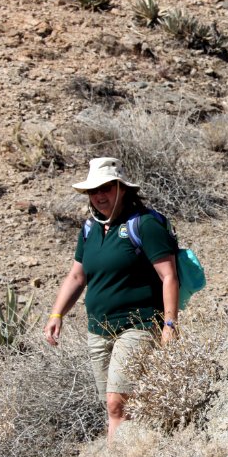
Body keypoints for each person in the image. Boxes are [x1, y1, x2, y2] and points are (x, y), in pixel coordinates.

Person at [43, 157, 179, 441]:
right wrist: (57, 315)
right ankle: (136, 451)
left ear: (122, 189)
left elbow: (168, 276)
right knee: (114, 405)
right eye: (94, 191)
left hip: (138, 325)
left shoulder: (143, 225)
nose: (100, 196)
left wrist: (169, 323)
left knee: (118, 404)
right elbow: (77, 277)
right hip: (98, 330)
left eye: (106, 188)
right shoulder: (90, 229)